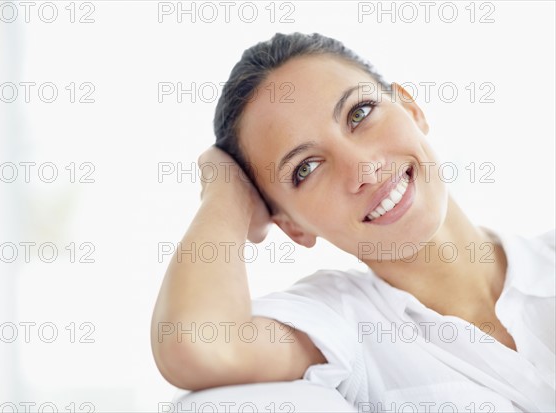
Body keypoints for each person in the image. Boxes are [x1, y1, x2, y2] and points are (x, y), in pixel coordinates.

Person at [151, 32, 555, 411]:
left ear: (412, 109)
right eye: (306, 168)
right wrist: (224, 195)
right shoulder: (341, 321)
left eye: (359, 113)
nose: (362, 168)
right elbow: (198, 345)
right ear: (292, 226)